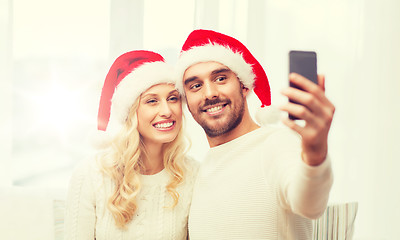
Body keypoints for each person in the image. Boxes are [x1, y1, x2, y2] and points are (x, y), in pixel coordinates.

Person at [175, 29, 335, 239]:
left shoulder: (276, 143)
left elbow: (310, 205)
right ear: (187, 100)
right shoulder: (201, 170)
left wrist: (315, 155)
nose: (209, 93)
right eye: (196, 86)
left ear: (244, 86)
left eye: (221, 78)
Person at [64, 50, 199, 240]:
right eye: (152, 101)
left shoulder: (193, 175)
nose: (167, 111)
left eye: (173, 98)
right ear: (130, 113)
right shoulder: (91, 174)